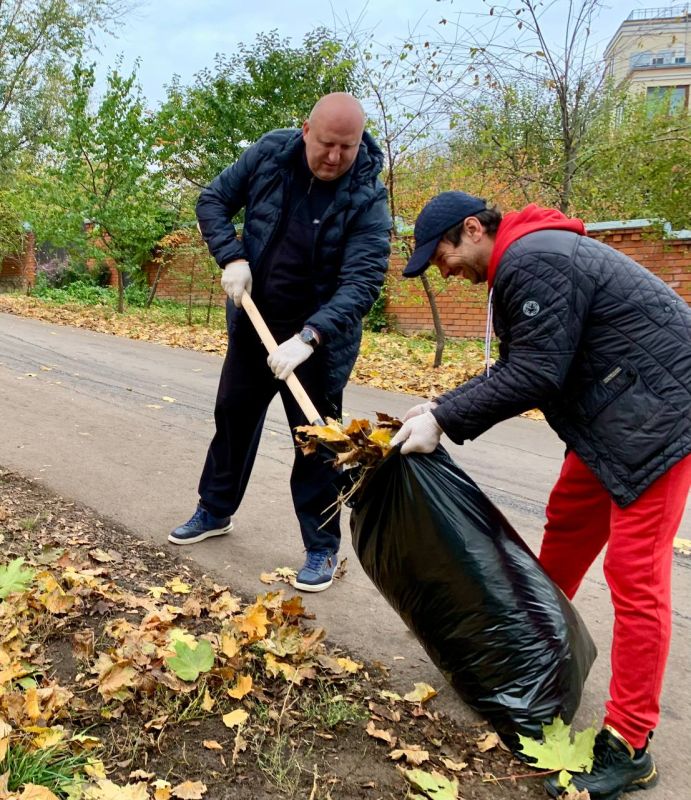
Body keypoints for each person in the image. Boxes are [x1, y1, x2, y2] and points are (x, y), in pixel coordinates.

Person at [391, 191, 691, 800]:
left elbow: (535, 373)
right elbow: (529, 363)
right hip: (615, 414)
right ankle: (526, 651)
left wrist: (445, 419)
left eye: (442, 254)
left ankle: (630, 745)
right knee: (567, 525)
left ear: (472, 228)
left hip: (661, 419)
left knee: (635, 575)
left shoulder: (533, 259)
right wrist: (442, 407)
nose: (444, 270)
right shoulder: (530, 259)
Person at [169, 93, 391, 593]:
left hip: (317, 343)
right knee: (233, 417)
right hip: (254, 322)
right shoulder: (270, 154)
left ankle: (321, 547)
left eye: (348, 147)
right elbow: (213, 200)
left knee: (316, 442)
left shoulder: (367, 197)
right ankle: (214, 510)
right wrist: (231, 257)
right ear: (305, 128)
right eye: (327, 144)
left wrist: (311, 336)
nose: (335, 157)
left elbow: (363, 281)